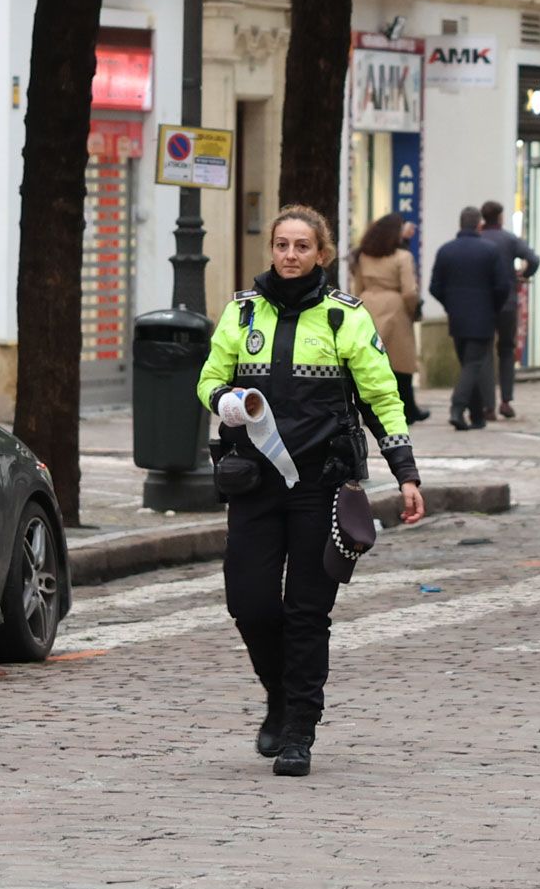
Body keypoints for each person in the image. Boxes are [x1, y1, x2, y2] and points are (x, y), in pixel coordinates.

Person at [198, 204, 426, 778]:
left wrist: (406, 471)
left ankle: (300, 727)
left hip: (320, 486)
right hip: (254, 482)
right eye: (282, 245)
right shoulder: (241, 312)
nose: (291, 255)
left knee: (307, 611)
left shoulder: (343, 318)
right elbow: (209, 378)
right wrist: (225, 401)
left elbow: (381, 397)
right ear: (271, 250)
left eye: (303, 246)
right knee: (248, 603)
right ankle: (277, 693)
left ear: (321, 254)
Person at [429, 206, 512, 430]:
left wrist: (450, 305)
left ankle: (476, 415)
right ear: (479, 225)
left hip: (457, 319)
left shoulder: (446, 251)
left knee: (469, 364)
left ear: (460, 224)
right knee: (473, 364)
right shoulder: (490, 251)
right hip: (483, 317)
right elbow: (503, 286)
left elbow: (435, 287)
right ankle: (458, 408)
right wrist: (493, 307)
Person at [350, 212, 429, 424]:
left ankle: (369, 408)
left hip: (368, 306)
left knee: (370, 361)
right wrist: (412, 310)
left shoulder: (363, 256)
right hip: (396, 309)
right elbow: (410, 291)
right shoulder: (403, 257)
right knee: (401, 363)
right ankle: (406, 407)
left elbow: (356, 288)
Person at [478, 200, 540, 420]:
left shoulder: (479, 239)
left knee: (485, 351)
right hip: (507, 303)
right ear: (501, 217)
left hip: (484, 304)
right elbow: (533, 259)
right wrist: (525, 274)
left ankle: (488, 406)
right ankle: (506, 400)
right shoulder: (509, 239)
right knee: (506, 350)